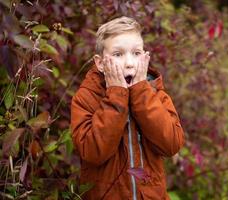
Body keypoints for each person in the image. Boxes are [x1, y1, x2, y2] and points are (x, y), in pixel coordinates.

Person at [71, 16, 185, 200]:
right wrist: (116, 94)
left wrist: (142, 94)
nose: (130, 63)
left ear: (145, 57)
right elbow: (93, 152)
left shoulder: (155, 93)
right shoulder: (87, 97)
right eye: (118, 54)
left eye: (136, 53)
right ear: (100, 63)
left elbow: (171, 145)